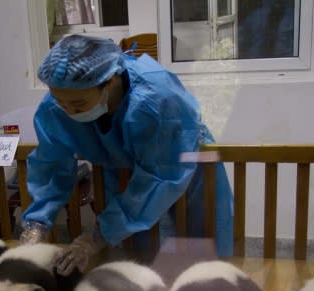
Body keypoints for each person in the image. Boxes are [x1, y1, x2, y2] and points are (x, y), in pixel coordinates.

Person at [19, 34, 233, 275]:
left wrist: (95, 236)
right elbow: (51, 165)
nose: (68, 112)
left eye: (78, 105)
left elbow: (159, 178)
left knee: (201, 254)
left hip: (183, 164)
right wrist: (36, 224)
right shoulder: (57, 104)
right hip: (124, 173)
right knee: (139, 257)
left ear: (109, 81)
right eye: (60, 102)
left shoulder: (157, 98)